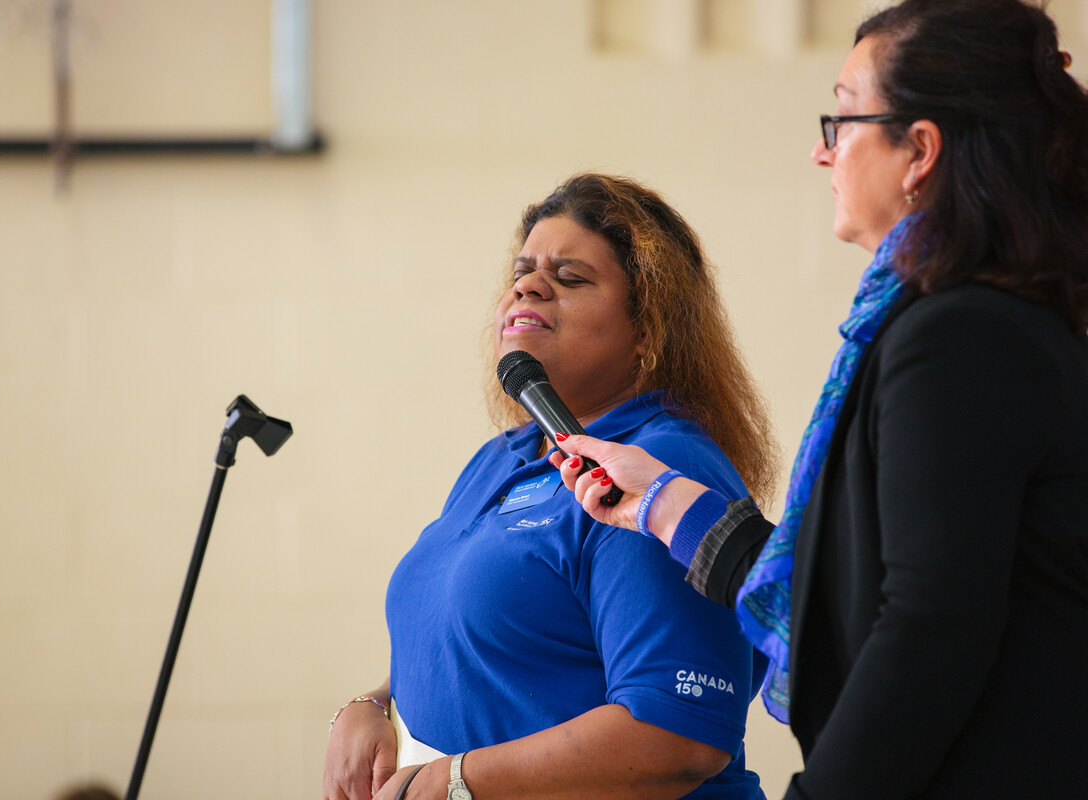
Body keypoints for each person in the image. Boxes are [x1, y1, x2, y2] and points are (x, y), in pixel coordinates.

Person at [552, 2, 1088, 798]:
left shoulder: (959, 336)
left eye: (842, 119)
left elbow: (926, 630)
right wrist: (660, 503)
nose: (820, 151)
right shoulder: (971, 327)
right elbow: (850, 589)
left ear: (920, 152)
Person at [323, 173, 781, 800]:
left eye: (570, 278)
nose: (527, 285)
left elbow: (677, 737)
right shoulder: (500, 459)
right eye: (522, 272)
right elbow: (490, 647)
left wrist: (459, 781)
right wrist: (372, 704)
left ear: (649, 332)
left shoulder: (658, 464)